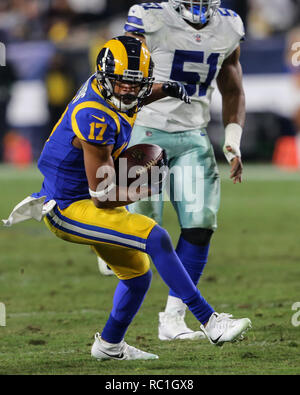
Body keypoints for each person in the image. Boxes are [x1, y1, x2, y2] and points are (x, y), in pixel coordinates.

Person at [3, 35, 251, 360]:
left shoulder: (118, 89)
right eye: (121, 84)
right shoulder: (93, 115)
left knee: (138, 275)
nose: (128, 91)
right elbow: (103, 196)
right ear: (106, 79)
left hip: (87, 197)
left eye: (136, 84)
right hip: (69, 206)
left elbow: (137, 92)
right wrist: (146, 188)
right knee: (156, 237)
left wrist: (166, 88)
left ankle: (109, 346)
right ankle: (210, 321)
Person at [100, 0, 247, 342]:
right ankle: (105, 249)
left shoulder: (229, 26)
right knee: (143, 236)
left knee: (200, 226)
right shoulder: (149, 18)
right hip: (145, 132)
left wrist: (233, 137)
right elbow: (119, 76)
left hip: (193, 135)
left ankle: (173, 320)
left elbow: (233, 85)